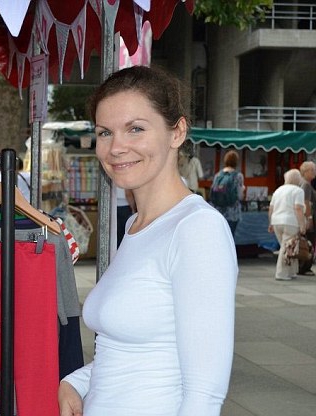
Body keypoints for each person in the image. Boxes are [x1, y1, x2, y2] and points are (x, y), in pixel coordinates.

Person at [58, 66, 238, 416]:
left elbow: (204, 394)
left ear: (177, 132)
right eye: (105, 132)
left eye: (135, 129)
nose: (116, 147)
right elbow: (138, 353)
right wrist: (77, 382)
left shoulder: (197, 230)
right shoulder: (138, 226)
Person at [268, 169, 307, 281]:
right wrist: (302, 224)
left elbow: (271, 208)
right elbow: (298, 208)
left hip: (276, 221)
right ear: (298, 179)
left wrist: (270, 222)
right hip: (291, 222)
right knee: (287, 248)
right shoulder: (298, 191)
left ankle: (292, 271)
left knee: (287, 247)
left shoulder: (278, 190)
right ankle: (281, 273)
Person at [209, 150, 245, 236]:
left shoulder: (218, 175)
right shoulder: (238, 176)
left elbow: (212, 192)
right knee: (230, 237)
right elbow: (240, 196)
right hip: (232, 213)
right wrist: (243, 190)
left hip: (218, 211)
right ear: (236, 162)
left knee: (219, 237)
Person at [298, 161, 316, 276]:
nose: (314, 172)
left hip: (308, 216)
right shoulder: (306, 185)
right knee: (308, 241)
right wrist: (309, 218)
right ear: (305, 172)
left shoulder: (306, 184)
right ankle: (305, 266)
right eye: (312, 170)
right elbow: (306, 202)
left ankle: (304, 266)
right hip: (308, 217)